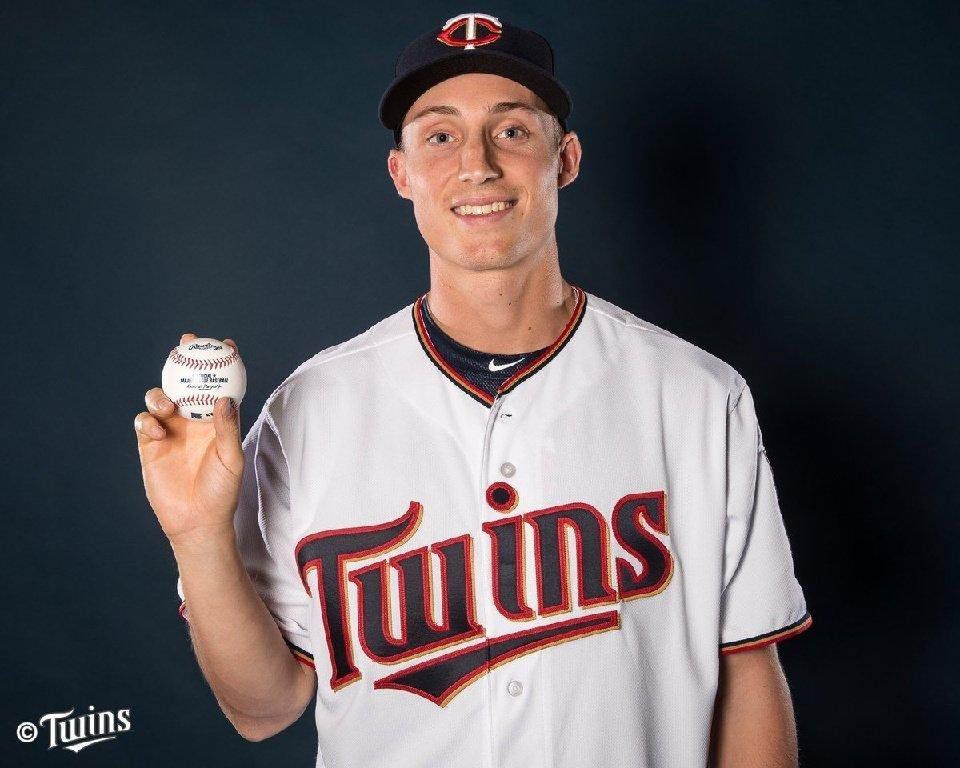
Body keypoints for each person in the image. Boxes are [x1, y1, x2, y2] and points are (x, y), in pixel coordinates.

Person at [134, 13, 812, 768]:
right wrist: (197, 536)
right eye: (440, 135)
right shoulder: (309, 409)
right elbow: (263, 710)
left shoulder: (697, 397)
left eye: (513, 131)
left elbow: (746, 670)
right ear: (402, 174)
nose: (477, 165)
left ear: (567, 159)